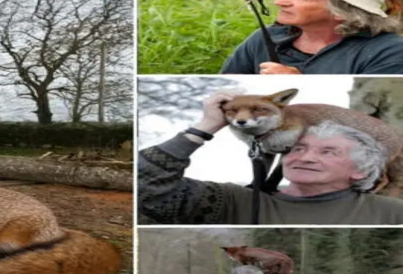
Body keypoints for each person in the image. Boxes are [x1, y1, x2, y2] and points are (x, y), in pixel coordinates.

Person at [137, 92, 403, 224]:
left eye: (328, 151)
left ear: (361, 169)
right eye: (296, 148)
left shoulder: (390, 214)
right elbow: (144, 185)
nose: (304, 157)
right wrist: (204, 128)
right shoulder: (229, 202)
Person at [220, 0, 403, 75]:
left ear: (341, 11)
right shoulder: (264, 38)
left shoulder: (388, 52)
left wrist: (301, 84)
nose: (280, 2)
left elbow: (367, 115)